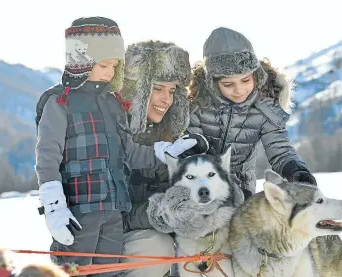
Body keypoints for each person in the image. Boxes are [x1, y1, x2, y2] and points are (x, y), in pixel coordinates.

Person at [34, 18, 199, 276]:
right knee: (75, 266)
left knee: (107, 269)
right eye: (103, 65)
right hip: (82, 207)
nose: (110, 72)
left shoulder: (113, 105)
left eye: (114, 65)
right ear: (81, 62)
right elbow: (48, 157)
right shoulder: (60, 103)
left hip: (113, 208)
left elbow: (129, 152)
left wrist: (166, 152)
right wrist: (54, 204)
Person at [187, 27, 316, 197]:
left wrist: (296, 171)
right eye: (228, 84)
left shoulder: (265, 107)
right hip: (201, 186)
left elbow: (280, 148)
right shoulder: (198, 106)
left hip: (242, 187)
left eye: (245, 80)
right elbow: (190, 152)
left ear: (255, 74)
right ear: (213, 83)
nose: (239, 90)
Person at [116, 40, 206, 277]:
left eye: (172, 90)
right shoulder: (113, 133)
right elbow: (111, 215)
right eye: (158, 88)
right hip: (115, 241)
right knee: (157, 247)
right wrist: (157, 214)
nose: (166, 99)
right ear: (136, 89)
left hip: (160, 239)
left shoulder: (174, 138)